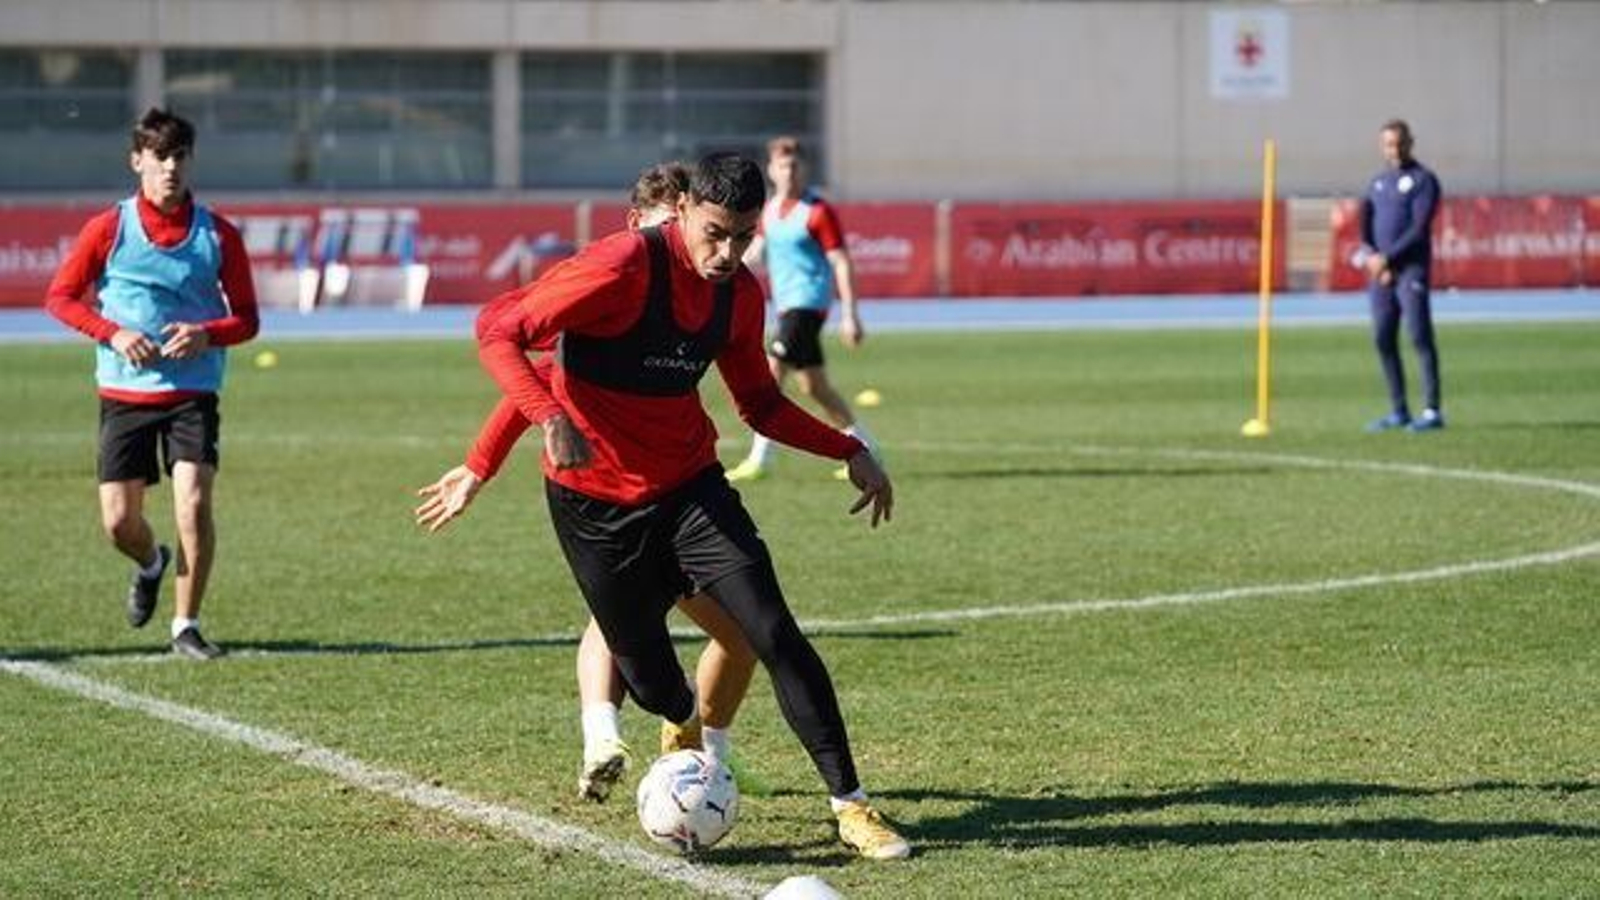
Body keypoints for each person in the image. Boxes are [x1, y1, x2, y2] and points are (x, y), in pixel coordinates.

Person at [467, 152, 909, 860]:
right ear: (682, 213)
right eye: (714, 233)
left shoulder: (740, 295)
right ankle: (675, 732)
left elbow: (759, 403)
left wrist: (847, 450)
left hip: (689, 489)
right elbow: (497, 329)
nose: (728, 253)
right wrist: (545, 413)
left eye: (743, 236)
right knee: (653, 682)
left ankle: (851, 807)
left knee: (774, 632)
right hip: (595, 506)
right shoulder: (620, 267)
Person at [415, 163, 765, 803]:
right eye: (670, 232)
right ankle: (605, 737)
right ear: (647, 224)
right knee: (615, 619)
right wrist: (479, 466)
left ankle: (703, 754)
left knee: (740, 639)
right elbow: (534, 373)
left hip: (678, 490)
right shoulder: (617, 282)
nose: (689, 254)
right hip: (604, 500)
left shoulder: (713, 290)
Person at [44, 107, 260, 659]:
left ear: (190, 162)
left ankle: (185, 625)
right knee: (120, 523)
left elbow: (249, 319)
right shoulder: (109, 227)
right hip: (124, 395)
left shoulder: (219, 234)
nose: (170, 168)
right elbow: (60, 297)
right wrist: (112, 333)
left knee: (194, 503)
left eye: (180, 156)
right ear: (137, 160)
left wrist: (207, 335)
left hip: (192, 395)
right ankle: (151, 562)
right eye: (159, 156)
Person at [726, 136, 879, 481]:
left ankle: (760, 459)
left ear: (805, 168)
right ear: (771, 170)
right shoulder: (767, 212)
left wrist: (850, 314)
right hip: (786, 308)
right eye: (783, 165)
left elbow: (841, 262)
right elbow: (756, 254)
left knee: (771, 373)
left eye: (795, 165)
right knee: (815, 388)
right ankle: (866, 447)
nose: (790, 171)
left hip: (808, 304)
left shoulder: (818, 212)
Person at [1358, 118, 1444, 433]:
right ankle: (1399, 410)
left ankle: (1433, 410)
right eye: (1388, 144)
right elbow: (1364, 223)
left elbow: (1418, 229)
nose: (1394, 150)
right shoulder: (1378, 183)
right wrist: (1371, 256)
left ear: (1410, 142)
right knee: (1383, 337)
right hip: (1381, 274)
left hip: (1411, 269)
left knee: (1420, 335)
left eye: (1399, 143)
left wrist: (1388, 259)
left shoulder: (1424, 180)